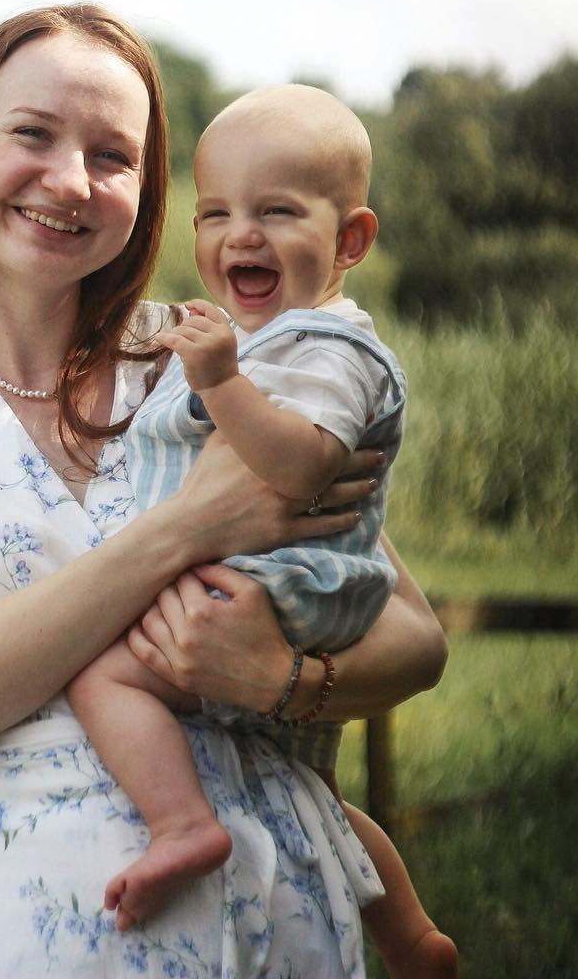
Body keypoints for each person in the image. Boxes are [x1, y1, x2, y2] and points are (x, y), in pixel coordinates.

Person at [0, 4, 448, 979]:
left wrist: (283, 681)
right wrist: (183, 531)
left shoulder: (210, 362)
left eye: (114, 157)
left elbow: (416, 640)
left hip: (290, 929)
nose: (70, 181)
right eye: (32, 135)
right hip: (21, 939)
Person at [67, 84, 458, 977]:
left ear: (350, 240)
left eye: (276, 211)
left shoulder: (329, 349)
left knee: (100, 672)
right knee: (308, 789)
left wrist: (220, 383)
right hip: (280, 588)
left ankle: (181, 824)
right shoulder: (252, 335)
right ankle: (410, 935)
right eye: (216, 213)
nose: (240, 234)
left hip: (271, 587)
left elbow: (303, 467)